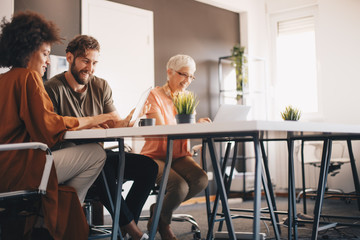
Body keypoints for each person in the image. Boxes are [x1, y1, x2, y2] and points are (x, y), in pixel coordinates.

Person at [0, 11, 122, 240]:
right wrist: (96, 119)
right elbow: (50, 127)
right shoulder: (29, 78)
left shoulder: (4, 80)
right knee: (96, 154)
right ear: (26, 50)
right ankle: (56, 221)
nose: (48, 60)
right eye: (45, 53)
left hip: (4, 168)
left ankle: (46, 218)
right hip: (21, 169)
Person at [45, 35, 157, 240]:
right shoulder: (52, 88)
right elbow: (55, 130)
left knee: (149, 167)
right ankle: (132, 230)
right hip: (74, 162)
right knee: (102, 161)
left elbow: (113, 122)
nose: (91, 68)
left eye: (95, 62)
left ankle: (123, 225)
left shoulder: (101, 86)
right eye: (85, 61)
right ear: (70, 58)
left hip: (98, 155)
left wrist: (129, 119)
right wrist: (94, 122)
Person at [140, 54, 210, 240]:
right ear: (169, 72)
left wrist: (200, 125)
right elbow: (162, 131)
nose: (187, 81)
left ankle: (160, 209)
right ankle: (163, 223)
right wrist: (192, 126)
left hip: (179, 156)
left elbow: (187, 130)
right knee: (178, 187)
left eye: (191, 76)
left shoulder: (187, 97)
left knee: (201, 179)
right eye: (183, 75)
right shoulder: (154, 95)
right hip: (155, 156)